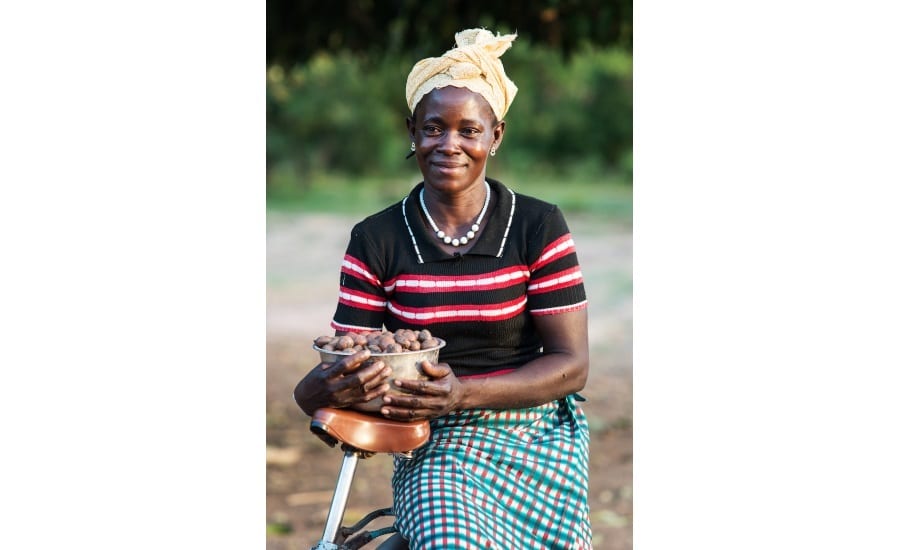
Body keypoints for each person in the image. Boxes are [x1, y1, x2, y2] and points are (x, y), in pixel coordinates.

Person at [293, 28, 592, 549]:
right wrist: (331, 386)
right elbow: (345, 357)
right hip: (432, 438)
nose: (449, 144)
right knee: (450, 537)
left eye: (468, 130)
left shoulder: (537, 225)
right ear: (412, 132)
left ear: (495, 136)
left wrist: (463, 393)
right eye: (433, 128)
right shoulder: (377, 237)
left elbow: (571, 364)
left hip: (533, 432)